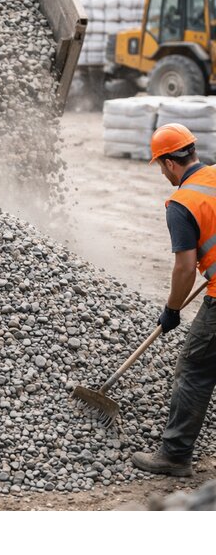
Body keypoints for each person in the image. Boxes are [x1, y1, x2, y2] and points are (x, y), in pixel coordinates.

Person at [132, 123, 216, 477]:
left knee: (196, 368)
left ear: (169, 163)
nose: (163, 173)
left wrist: (172, 310)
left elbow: (183, 269)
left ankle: (174, 455)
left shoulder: (181, 203)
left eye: (161, 166)